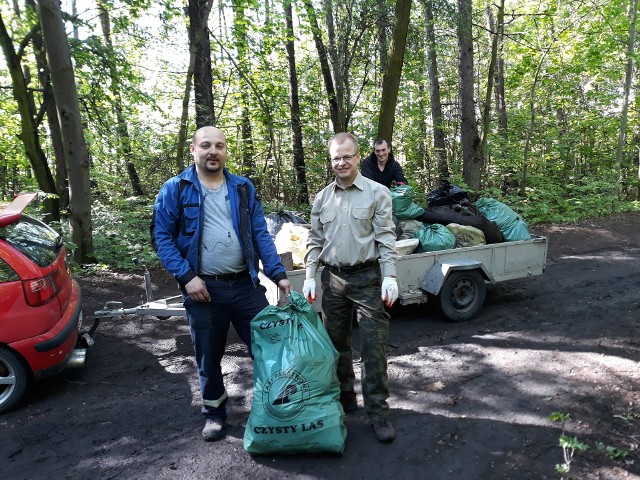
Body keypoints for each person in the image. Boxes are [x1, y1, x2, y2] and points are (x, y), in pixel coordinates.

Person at [153, 126, 292, 442]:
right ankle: (214, 414)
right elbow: (162, 237)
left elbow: (259, 233)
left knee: (268, 346)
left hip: (245, 285)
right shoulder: (176, 189)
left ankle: (277, 404)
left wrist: (277, 274)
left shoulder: (242, 188)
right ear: (194, 150)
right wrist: (187, 278)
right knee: (208, 356)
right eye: (206, 145)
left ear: (226, 150)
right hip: (204, 291)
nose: (212, 151)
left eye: (219, 146)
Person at [303, 132, 399, 443]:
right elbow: (315, 240)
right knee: (335, 346)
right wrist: (309, 275)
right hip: (333, 281)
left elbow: (386, 237)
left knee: (373, 348)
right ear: (330, 161)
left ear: (359, 157)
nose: (341, 162)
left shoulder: (377, 193)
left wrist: (390, 276)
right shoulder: (322, 198)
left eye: (347, 156)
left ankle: (379, 412)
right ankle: (345, 402)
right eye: (336, 157)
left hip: (368, 278)